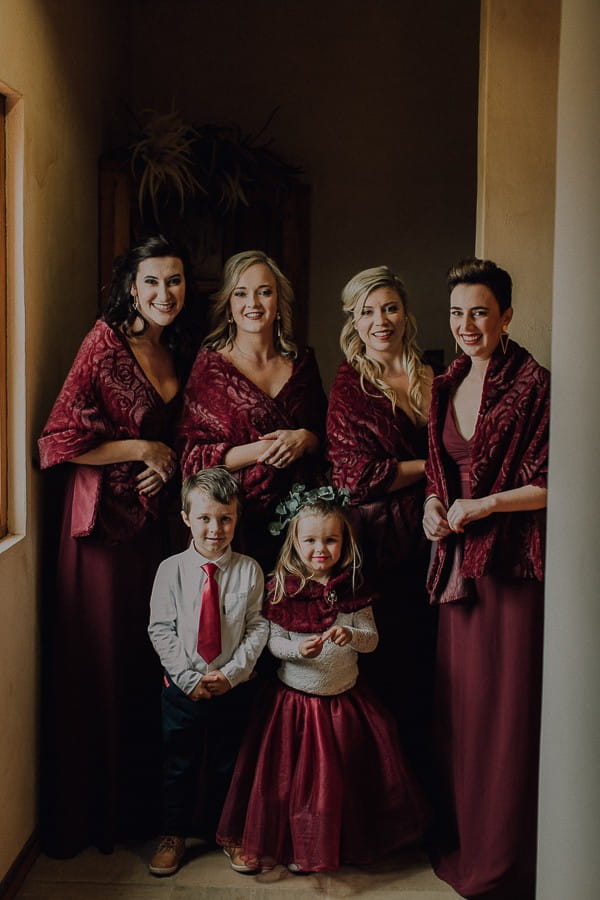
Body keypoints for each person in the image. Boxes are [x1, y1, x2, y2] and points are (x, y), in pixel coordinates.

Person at [38, 234, 194, 857]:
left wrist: (169, 458)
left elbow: (181, 434)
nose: (164, 293)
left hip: (153, 530)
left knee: (146, 661)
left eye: (175, 281)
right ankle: (92, 815)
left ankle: (141, 813)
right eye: (153, 281)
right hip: (100, 533)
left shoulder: (176, 345)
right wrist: (140, 449)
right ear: (131, 285)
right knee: (101, 661)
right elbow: (55, 442)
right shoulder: (103, 343)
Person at [216, 488, 428, 874]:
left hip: (343, 705)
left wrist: (353, 637)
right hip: (293, 708)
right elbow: (275, 642)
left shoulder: (353, 589)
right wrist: (300, 652)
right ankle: (292, 845)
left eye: (330, 540)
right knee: (289, 785)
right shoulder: (282, 587)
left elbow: (373, 640)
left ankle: (323, 846)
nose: (320, 549)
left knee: (334, 785)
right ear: (294, 542)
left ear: (344, 543)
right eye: (310, 540)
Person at [422, 258, 549, 900]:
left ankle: (505, 855)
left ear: (505, 315)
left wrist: (490, 505)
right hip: (456, 573)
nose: (466, 325)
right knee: (462, 709)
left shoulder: (535, 385)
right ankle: (469, 839)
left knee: (505, 709)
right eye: (456, 313)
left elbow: (556, 483)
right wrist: (433, 508)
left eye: (479, 312)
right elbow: (441, 470)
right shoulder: (442, 384)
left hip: (510, 568)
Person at [326, 265, 435, 778]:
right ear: (354, 321)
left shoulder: (436, 377)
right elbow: (355, 478)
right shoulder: (350, 387)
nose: (380, 320)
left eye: (389, 307)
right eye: (367, 311)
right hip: (379, 544)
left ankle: (423, 791)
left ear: (405, 313)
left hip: (435, 537)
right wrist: (431, 468)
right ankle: (382, 789)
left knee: (430, 664)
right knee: (385, 666)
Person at [148, 467, 268, 877]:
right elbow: (160, 629)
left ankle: (229, 834)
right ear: (186, 518)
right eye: (204, 518)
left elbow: (257, 626)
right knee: (178, 765)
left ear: (236, 518)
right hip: (182, 691)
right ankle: (172, 834)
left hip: (233, 688)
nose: (215, 528)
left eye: (225, 518)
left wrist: (232, 674)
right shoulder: (170, 570)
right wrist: (188, 679)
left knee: (228, 764)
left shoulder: (250, 571)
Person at [178, 250, 327, 571]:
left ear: (278, 303)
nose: (253, 303)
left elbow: (327, 440)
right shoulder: (210, 367)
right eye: (241, 293)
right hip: (236, 522)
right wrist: (261, 450)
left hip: (301, 524)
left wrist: (303, 439)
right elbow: (192, 459)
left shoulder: (303, 364)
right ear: (229, 306)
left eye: (264, 292)